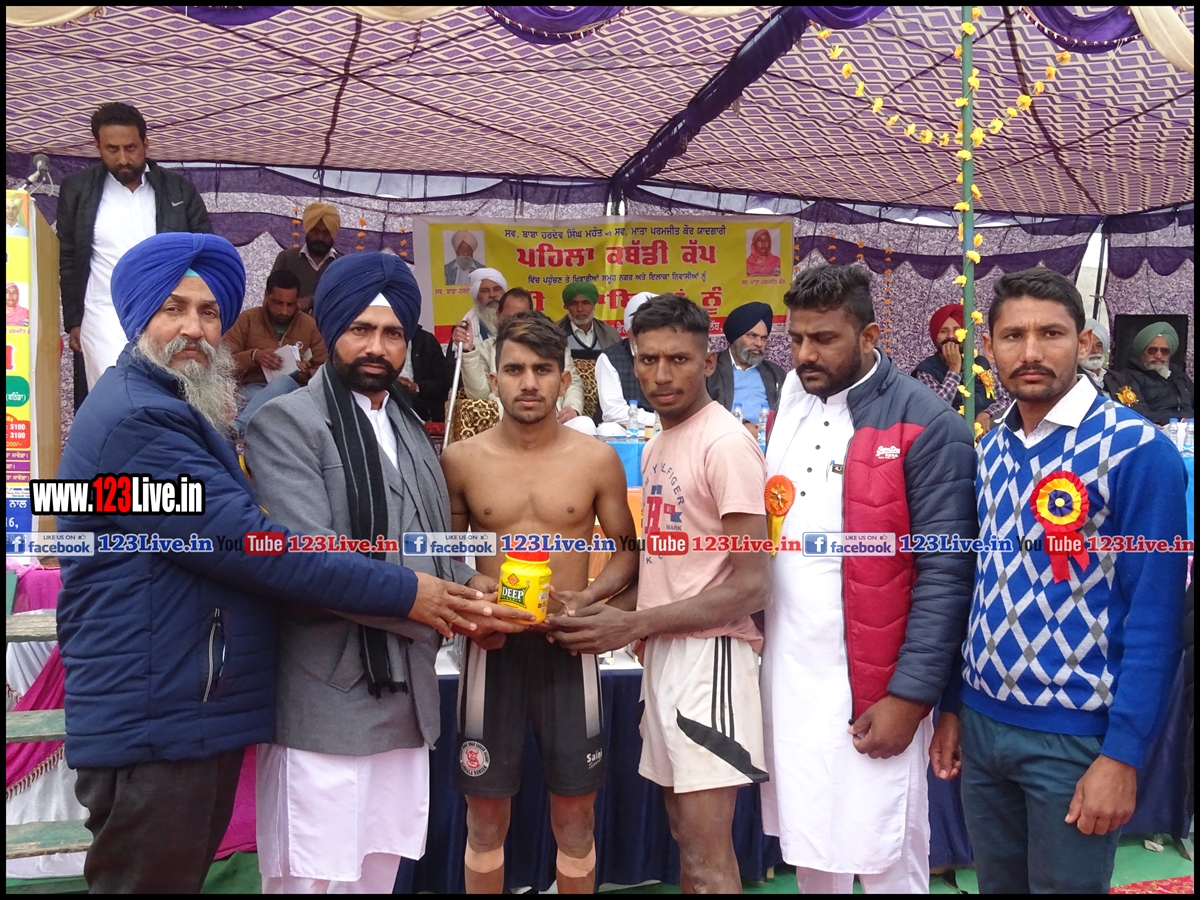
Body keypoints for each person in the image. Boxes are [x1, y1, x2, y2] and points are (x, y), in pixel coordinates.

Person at [55, 232, 497, 894]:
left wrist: (463, 585)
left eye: (209, 312)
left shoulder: (169, 407)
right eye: (174, 308)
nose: (194, 328)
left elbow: (420, 534)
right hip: (157, 705)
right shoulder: (138, 422)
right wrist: (411, 594)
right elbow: (251, 545)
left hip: (181, 702)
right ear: (138, 314)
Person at [244, 252, 525, 893]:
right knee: (314, 882)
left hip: (406, 702)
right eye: (361, 329)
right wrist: (427, 599)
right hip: (325, 705)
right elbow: (307, 559)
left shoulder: (409, 424)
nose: (377, 347)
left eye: (393, 332)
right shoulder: (285, 423)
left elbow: (430, 540)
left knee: (379, 876)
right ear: (331, 330)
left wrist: (471, 587)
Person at [930, 268, 1188, 894]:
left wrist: (1123, 754)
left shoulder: (1137, 451)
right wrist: (955, 706)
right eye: (1013, 335)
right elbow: (979, 582)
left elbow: (1155, 615)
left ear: (1084, 342)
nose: (1032, 351)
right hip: (984, 727)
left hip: (1076, 738)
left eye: (1051, 333)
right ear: (989, 347)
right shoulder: (991, 448)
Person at [760, 264, 976, 893]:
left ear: (870, 335)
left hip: (874, 684)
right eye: (796, 339)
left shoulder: (928, 423)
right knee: (811, 843)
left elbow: (946, 573)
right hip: (790, 678)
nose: (805, 354)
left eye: (824, 338)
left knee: (886, 851)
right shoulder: (794, 399)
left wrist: (910, 697)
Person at [551, 294, 772, 894]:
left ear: (708, 361)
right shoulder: (655, 445)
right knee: (684, 838)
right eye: (648, 359)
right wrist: (595, 607)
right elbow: (667, 568)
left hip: (711, 657)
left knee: (706, 854)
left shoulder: (725, 444)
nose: (661, 374)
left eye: (679, 358)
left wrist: (630, 625)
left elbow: (752, 584)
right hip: (666, 654)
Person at [441, 311, 639, 894]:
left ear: (563, 380)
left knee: (575, 821)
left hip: (568, 648)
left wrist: (589, 597)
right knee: (485, 821)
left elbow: (629, 553)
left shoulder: (596, 459)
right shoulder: (460, 459)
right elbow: (442, 553)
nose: (529, 383)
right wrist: (472, 586)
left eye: (543, 370)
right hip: (490, 649)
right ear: (494, 379)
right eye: (515, 369)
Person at [58, 101, 212, 389]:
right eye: (112, 149)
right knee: (113, 393)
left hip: (168, 313)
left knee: (169, 393)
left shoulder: (178, 189)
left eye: (131, 148)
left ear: (145, 143)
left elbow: (206, 252)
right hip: (104, 315)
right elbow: (67, 258)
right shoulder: (78, 189)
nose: (123, 159)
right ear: (97, 146)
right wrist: (74, 320)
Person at [456, 288, 585, 422]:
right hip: (508, 420)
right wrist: (468, 352)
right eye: (513, 369)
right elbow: (478, 394)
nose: (516, 323)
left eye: (522, 316)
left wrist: (572, 408)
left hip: (557, 420)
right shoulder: (488, 347)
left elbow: (572, 382)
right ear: (499, 315)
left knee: (584, 424)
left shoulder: (553, 344)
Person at [221, 269, 327, 407]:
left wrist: (306, 374)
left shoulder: (310, 326)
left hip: (293, 391)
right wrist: (254, 356)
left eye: (290, 304)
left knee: (283, 382)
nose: (284, 311)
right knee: (253, 397)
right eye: (278, 303)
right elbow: (224, 365)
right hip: (253, 386)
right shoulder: (247, 319)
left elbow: (325, 369)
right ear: (266, 296)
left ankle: (242, 421)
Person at [911, 303, 1011, 433]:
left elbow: (1004, 400)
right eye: (943, 331)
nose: (951, 336)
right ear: (936, 337)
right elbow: (933, 410)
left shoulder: (980, 363)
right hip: (950, 436)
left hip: (987, 434)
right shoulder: (926, 370)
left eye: (957, 330)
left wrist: (987, 414)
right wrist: (954, 368)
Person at [705, 300, 785, 434]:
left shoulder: (775, 373)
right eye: (752, 336)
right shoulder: (711, 368)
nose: (759, 343)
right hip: (722, 438)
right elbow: (700, 412)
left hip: (768, 440)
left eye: (763, 338)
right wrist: (742, 427)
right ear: (735, 337)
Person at [1109, 321, 1193, 425]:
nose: (1158, 355)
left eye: (1164, 351)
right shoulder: (1128, 377)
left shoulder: (1180, 376)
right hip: (1159, 428)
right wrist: (1179, 421)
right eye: (1152, 350)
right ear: (1142, 353)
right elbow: (1139, 411)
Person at [595, 291, 656, 427]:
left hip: (671, 427)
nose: (647, 335)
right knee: (609, 429)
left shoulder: (674, 357)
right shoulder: (610, 358)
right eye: (640, 329)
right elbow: (613, 412)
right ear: (629, 330)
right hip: (626, 429)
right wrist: (658, 421)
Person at [271, 202, 342, 314]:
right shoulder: (286, 259)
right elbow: (272, 296)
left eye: (326, 233)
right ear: (307, 230)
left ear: (333, 234)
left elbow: (342, 298)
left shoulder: (341, 265)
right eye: (315, 231)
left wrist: (310, 301)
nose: (320, 238)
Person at [556, 281, 621, 357]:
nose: (580, 309)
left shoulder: (610, 334)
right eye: (573, 304)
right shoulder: (554, 334)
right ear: (567, 307)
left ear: (594, 305)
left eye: (586, 303)